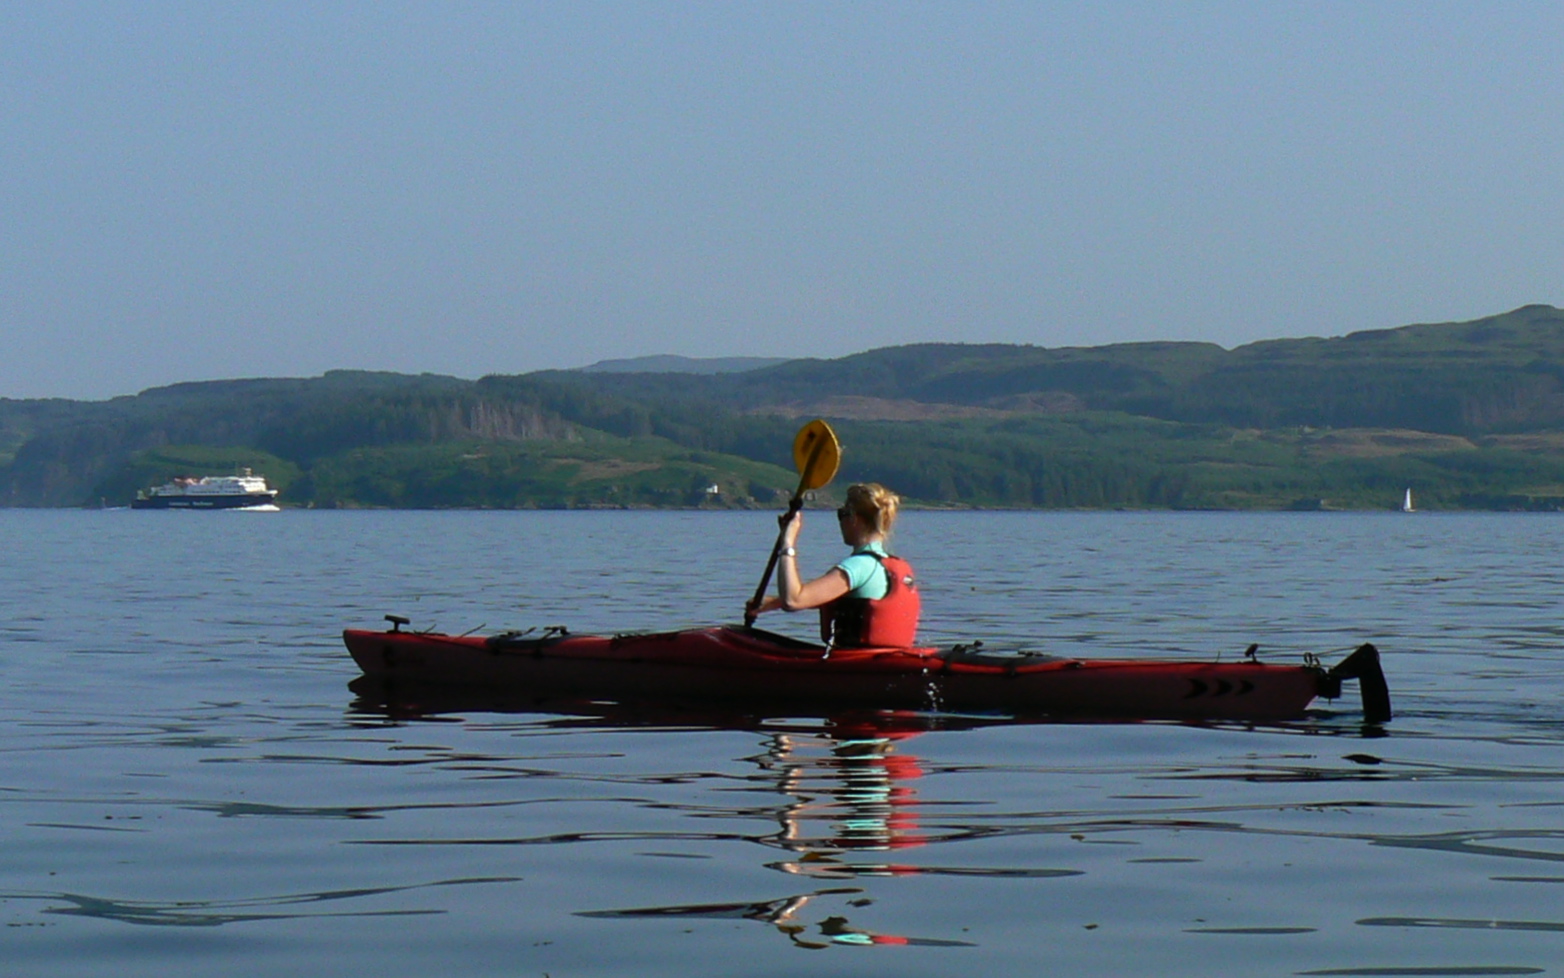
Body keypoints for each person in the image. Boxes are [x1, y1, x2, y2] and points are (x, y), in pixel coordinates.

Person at [747, 482, 921, 648]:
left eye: (841, 514)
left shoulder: (858, 566)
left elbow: (793, 600)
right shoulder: (894, 567)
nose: (840, 522)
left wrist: (788, 541)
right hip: (881, 664)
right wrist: (774, 603)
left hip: (856, 666)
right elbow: (857, 602)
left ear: (854, 518)